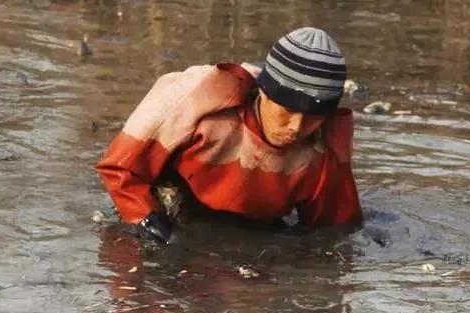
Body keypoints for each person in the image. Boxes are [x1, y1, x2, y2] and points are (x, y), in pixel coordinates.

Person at [95, 27, 362, 244]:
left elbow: (333, 231)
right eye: (288, 110)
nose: (296, 126)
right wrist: (145, 220)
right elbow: (120, 170)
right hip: (175, 209)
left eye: (313, 117)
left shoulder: (323, 148)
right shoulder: (198, 101)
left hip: (257, 228)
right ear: (265, 91)